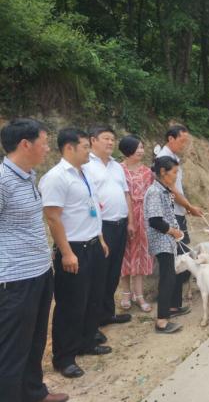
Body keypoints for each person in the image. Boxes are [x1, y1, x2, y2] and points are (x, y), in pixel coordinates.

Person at [0, 119, 69, 402]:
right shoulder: (2, 180)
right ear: (25, 144)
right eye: (44, 141)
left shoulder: (28, 176)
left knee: (35, 340)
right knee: (12, 348)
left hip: (39, 271)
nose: (47, 147)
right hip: (15, 279)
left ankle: (34, 392)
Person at [39, 128, 110, 379]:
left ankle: (87, 341)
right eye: (84, 146)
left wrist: (100, 238)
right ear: (69, 148)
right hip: (73, 249)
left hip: (92, 245)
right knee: (71, 304)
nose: (88, 151)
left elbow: (91, 208)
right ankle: (64, 357)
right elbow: (53, 217)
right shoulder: (56, 177)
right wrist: (67, 253)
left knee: (92, 298)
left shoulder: (83, 173)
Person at [83, 126, 133, 329]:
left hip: (120, 225)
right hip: (101, 227)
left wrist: (130, 221)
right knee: (99, 275)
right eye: (106, 138)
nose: (111, 142)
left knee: (113, 273)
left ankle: (107, 314)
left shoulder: (117, 166)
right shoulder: (86, 165)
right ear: (93, 140)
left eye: (113, 139)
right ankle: (93, 323)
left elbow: (126, 194)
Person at [156, 123, 203, 318]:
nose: (184, 145)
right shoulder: (163, 161)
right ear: (171, 139)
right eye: (182, 141)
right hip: (172, 217)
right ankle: (168, 308)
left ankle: (175, 303)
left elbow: (178, 190)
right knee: (174, 261)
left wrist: (187, 207)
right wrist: (189, 207)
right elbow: (173, 191)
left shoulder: (173, 158)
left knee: (180, 256)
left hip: (179, 213)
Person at [144, 156, 185, 334]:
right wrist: (173, 231)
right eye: (174, 172)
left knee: (170, 277)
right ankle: (161, 321)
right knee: (167, 278)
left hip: (167, 239)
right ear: (163, 172)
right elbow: (155, 221)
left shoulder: (163, 190)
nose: (176, 176)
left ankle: (169, 311)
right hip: (161, 240)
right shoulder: (154, 192)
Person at [119, 135, 154, 312]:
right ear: (128, 150)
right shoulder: (117, 170)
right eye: (138, 148)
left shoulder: (148, 172)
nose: (141, 151)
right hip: (124, 215)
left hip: (143, 217)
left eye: (142, 147)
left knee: (141, 254)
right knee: (124, 253)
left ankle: (139, 294)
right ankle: (126, 292)